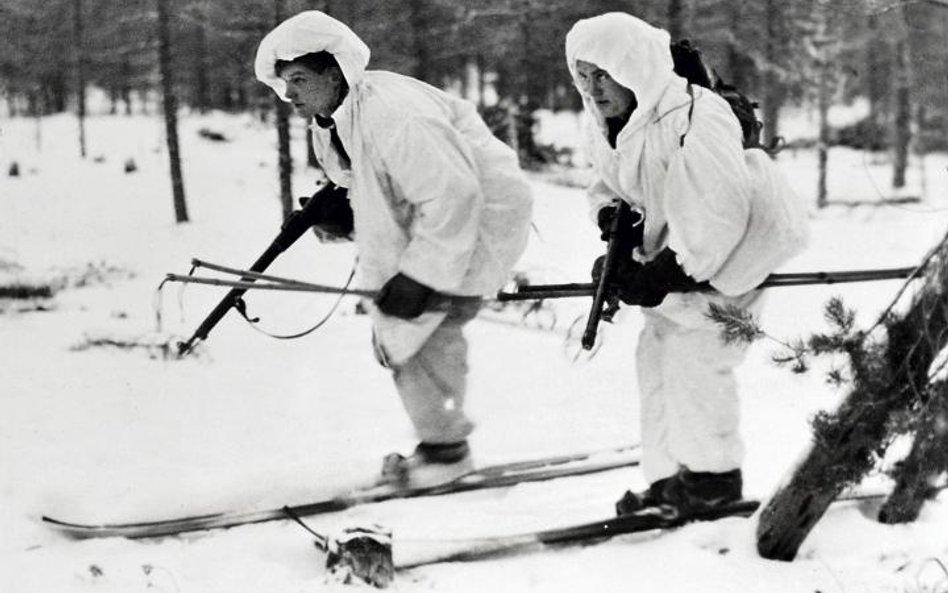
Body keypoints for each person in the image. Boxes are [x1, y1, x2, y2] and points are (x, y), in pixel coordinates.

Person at [254, 11, 533, 487]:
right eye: (285, 84)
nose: (290, 94)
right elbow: (379, 185)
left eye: (299, 79)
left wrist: (422, 277)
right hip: (436, 225)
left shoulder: (394, 113)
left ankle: (446, 454)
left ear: (335, 71)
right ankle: (440, 444)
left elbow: (453, 194)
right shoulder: (337, 117)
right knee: (406, 331)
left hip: (479, 221)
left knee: (429, 329)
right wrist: (344, 214)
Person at [564, 13, 808, 516]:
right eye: (583, 75)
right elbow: (609, 183)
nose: (593, 87)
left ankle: (712, 480)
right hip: (675, 254)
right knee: (655, 358)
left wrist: (664, 273)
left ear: (631, 67)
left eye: (603, 74)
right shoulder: (608, 121)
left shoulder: (697, 116)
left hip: (735, 254)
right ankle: (669, 477)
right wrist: (615, 224)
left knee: (696, 362)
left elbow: (718, 214)